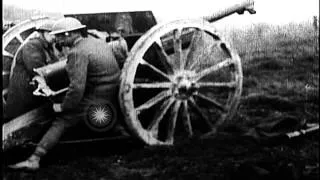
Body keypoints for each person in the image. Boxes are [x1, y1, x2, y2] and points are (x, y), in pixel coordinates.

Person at [9, 17, 121, 171]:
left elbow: (76, 89)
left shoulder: (77, 53)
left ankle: (34, 159)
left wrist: (63, 107)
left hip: (96, 96)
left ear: (69, 34)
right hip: (111, 90)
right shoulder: (97, 42)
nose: (57, 40)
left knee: (62, 120)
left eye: (60, 36)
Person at [4, 19, 59, 121]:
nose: (55, 37)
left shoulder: (47, 47)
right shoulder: (32, 46)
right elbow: (36, 69)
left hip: (32, 95)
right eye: (52, 34)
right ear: (44, 33)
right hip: (24, 96)